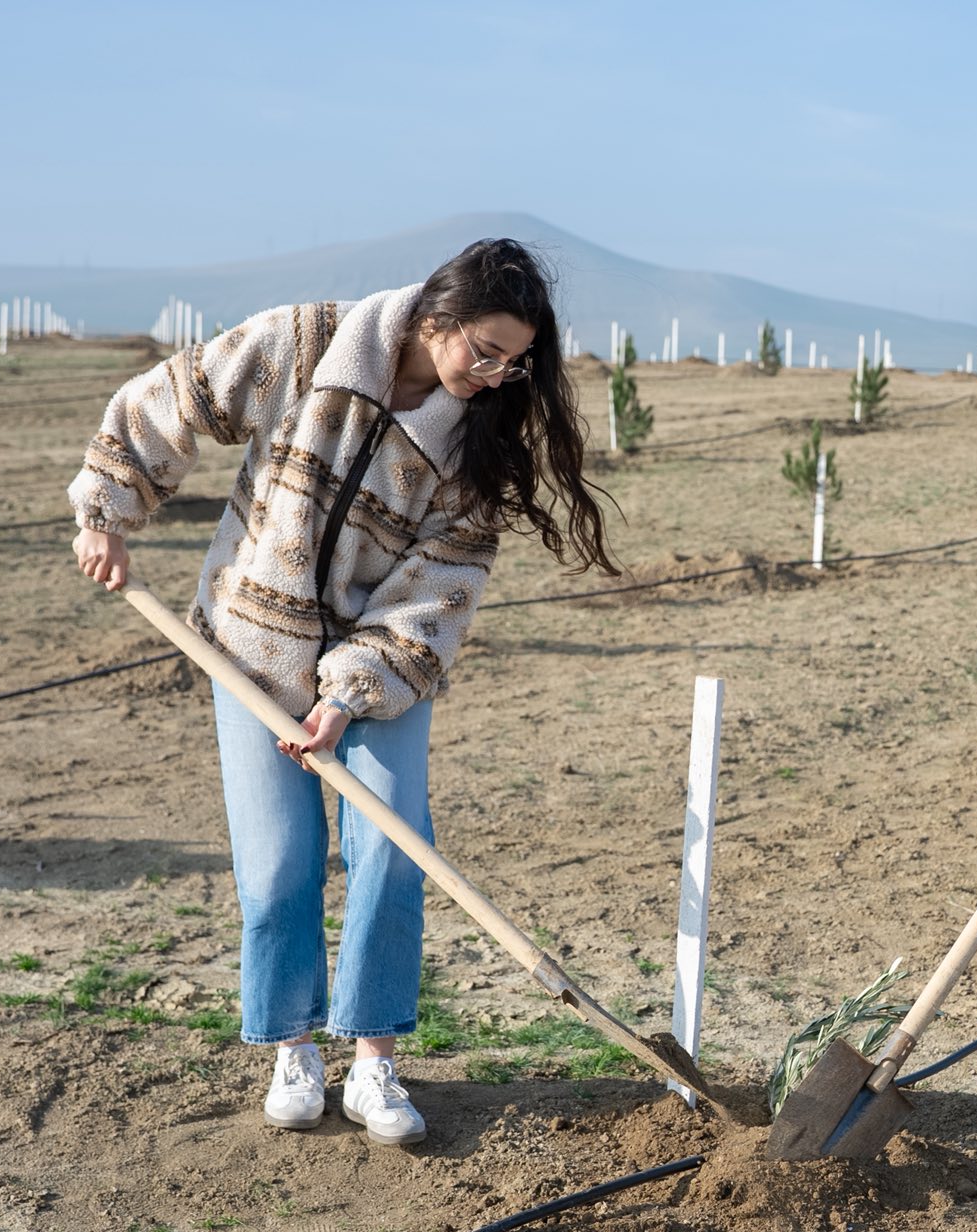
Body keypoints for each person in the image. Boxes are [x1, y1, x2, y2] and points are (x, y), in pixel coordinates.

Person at [67, 239, 615, 1145]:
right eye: (485, 351)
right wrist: (107, 510)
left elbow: (441, 585)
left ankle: (372, 1063)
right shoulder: (308, 343)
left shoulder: (475, 444)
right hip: (250, 649)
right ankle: (292, 1048)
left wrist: (351, 693)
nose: (495, 375)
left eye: (513, 363)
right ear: (435, 318)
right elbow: (176, 395)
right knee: (278, 865)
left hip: (380, 673)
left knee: (394, 850)